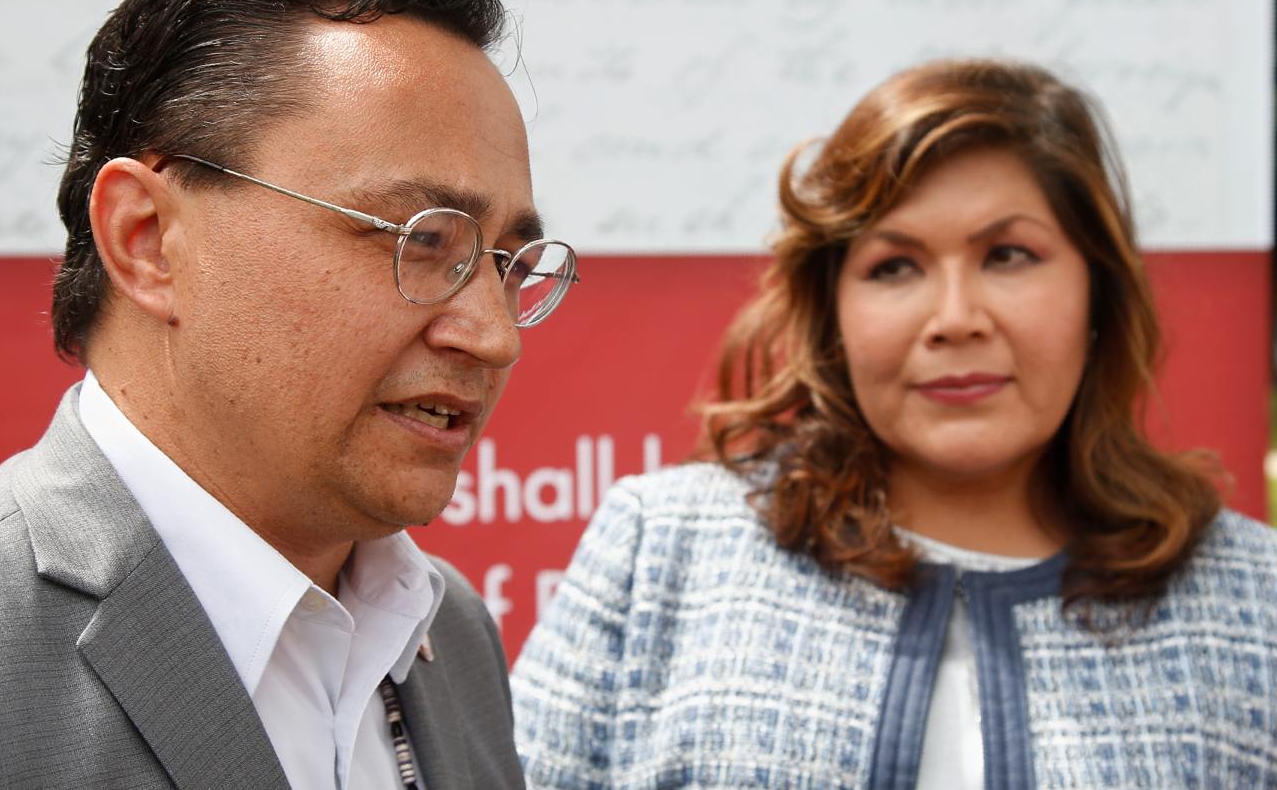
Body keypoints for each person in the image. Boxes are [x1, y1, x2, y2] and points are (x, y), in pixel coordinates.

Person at [0, 0, 577, 789]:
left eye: (508, 263)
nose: (492, 334)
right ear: (147, 239)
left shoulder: (447, 631)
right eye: (420, 239)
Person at [511, 58, 1277, 788]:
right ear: (833, 313)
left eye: (1008, 255)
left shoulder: (1252, 598)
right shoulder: (662, 548)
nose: (954, 318)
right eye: (895, 266)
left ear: (1098, 296)